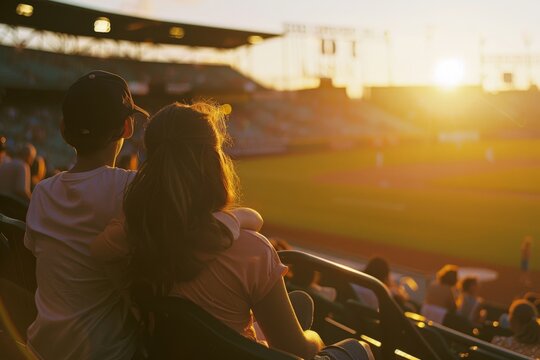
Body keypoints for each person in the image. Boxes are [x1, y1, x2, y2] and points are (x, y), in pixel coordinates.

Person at [97, 102, 371, 359]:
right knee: (360, 348)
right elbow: (295, 349)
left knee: (301, 302)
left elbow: (102, 251)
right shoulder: (252, 252)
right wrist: (315, 339)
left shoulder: (130, 238)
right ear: (214, 163)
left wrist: (234, 221)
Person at [24, 70, 150, 360]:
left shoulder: (42, 192)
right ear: (127, 128)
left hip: (40, 347)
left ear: (63, 129)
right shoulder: (129, 188)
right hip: (107, 353)